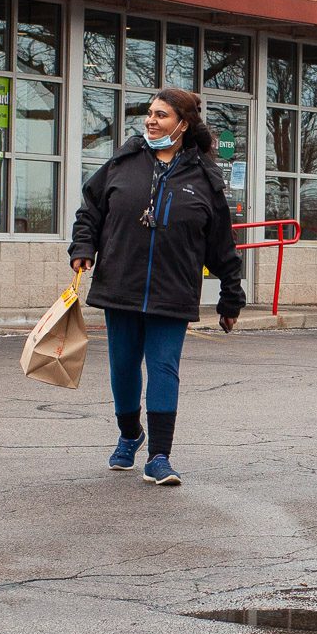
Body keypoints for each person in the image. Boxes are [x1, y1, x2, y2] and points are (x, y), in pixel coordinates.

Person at [70, 87, 245, 485]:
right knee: (124, 368)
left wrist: (230, 298)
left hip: (174, 289)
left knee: (164, 368)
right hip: (121, 284)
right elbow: (91, 208)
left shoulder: (204, 177)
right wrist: (83, 246)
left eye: (161, 115)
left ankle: (159, 457)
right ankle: (130, 434)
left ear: (183, 124)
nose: (151, 120)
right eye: (149, 113)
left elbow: (221, 244)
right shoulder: (124, 161)